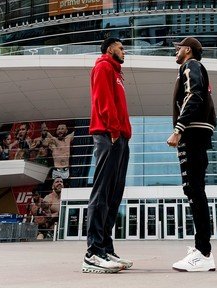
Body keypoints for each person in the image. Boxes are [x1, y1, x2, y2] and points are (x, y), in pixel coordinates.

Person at [82, 37, 133, 274]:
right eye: (121, 48)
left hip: (120, 137)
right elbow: (103, 101)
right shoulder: (103, 66)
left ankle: (106, 247)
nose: (124, 52)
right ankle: (93, 253)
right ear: (110, 49)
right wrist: (114, 131)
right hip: (107, 135)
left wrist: (123, 135)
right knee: (102, 193)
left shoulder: (117, 73)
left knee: (114, 196)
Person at [167, 36, 217, 272]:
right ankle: (202, 248)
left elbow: (194, 95)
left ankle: (203, 253)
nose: (175, 52)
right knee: (194, 190)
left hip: (193, 133)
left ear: (187, 50)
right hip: (197, 133)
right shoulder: (193, 67)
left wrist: (179, 129)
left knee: (195, 190)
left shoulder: (191, 66)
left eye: (178, 48)